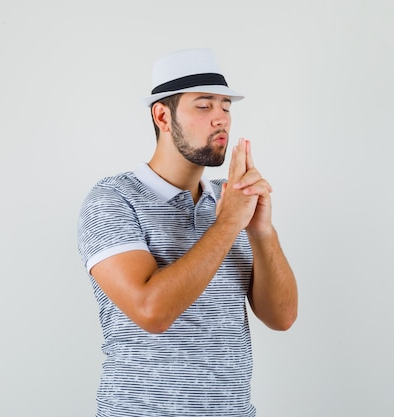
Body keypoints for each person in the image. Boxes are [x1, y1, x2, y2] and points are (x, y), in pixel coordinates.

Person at [77, 48, 298, 417]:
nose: (221, 120)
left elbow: (282, 318)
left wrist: (261, 230)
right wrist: (228, 223)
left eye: (226, 107)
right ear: (163, 116)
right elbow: (152, 312)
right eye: (204, 106)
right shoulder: (113, 199)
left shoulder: (230, 200)